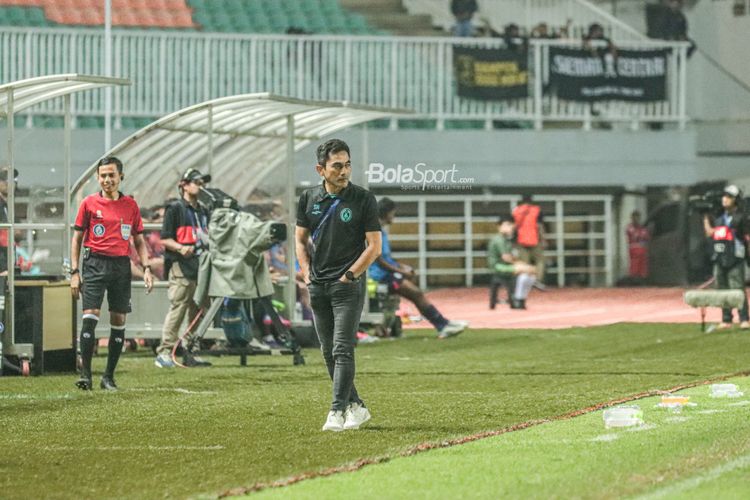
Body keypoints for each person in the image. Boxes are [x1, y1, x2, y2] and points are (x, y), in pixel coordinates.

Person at [295, 139, 382, 432]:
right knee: (328, 351)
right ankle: (357, 406)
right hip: (318, 286)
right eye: (337, 166)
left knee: (342, 349)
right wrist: (306, 274)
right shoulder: (308, 198)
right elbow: (299, 240)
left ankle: (336, 411)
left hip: (347, 286)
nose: (344, 171)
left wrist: (350, 276)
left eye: (347, 165)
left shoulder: (363, 199)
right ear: (320, 169)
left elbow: (374, 247)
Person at [70, 156, 154, 390]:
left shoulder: (130, 206)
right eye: (103, 175)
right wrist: (74, 272)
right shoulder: (88, 203)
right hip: (94, 264)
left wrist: (146, 268)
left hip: (120, 266)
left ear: (120, 176)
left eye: (111, 175)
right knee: (90, 316)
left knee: (119, 320)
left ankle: (108, 377)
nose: (107, 179)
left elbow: (139, 240)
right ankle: (86, 375)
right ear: (98, 178)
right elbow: (77, 239)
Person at [369, 197, 468, 337]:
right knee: (416, 293)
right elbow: (378, 259)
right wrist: (401, 271)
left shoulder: (381, 231)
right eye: (393, 213)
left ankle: (443, 323)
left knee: (415, 293)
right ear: (387, 213)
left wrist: (402, 267)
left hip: (385, 274)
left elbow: (386, 258)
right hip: (379, 277)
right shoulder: (375, 231)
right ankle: (442, 325)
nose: (394, 217)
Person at [155, 168, 212, 368]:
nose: (200, 186)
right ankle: (164, 352)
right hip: (181, 265)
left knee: (198, 310)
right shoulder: (175, 208)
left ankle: (190, 350)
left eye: (202, 183)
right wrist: (180, 248)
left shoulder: (204, 210)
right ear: (184, 185)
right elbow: (165, 238)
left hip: (201, 266)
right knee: (179, 307)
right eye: (196, 182)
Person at [703, 185, 750, 330]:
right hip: (720, 257)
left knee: (737, 289)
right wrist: (705, 217)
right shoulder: (719, 218)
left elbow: (747, 237)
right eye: (724, 196)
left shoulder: (741, 217)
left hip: (735, 257)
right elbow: (711, 233)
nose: (725, 199)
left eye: (729, 196)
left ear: (736, 200)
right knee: (722, 289)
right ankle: (726, 318)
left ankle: (744, 319)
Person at [487, 215, 537, 310]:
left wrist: (522, 265)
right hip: (498, 266)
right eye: (507, 225)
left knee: (530, 275)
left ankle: (521, 299)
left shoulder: (508, 240)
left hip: (508, 265)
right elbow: (506, 257)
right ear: (499, 227)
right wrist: (522, 266)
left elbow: (513, 256)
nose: (510, 228)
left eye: (511, 225)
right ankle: (516, 299)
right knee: (526, 270)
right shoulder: (498, 239)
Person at [512, 194, 546, 285]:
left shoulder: (516, 210)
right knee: (540, 260)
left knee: (524, 263)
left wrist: (513, 241)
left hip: (520, 240)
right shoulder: (537, 210)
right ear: (531, 201)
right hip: (534, 239)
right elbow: (540, 226)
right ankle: (538, 281)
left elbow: (513, 227)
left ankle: (525, 282)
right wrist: (543, 240)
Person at [0, 167, 19, 275]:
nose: (8, 183)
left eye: (12, 179)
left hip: (8, 263)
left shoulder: (8, 205)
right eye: (4, 179)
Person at [626, 210, 650, 281]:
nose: (636, 219)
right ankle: (633, 279)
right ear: (632, 218)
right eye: (635, 217)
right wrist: (641, 235)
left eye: (638, 217)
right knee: (635, 265)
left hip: (642, 249)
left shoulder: (642, 228)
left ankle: (642, 279)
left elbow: (646, 237)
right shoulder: (629, 227)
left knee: (642, 266)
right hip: (634, 249)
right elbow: (635, 236)